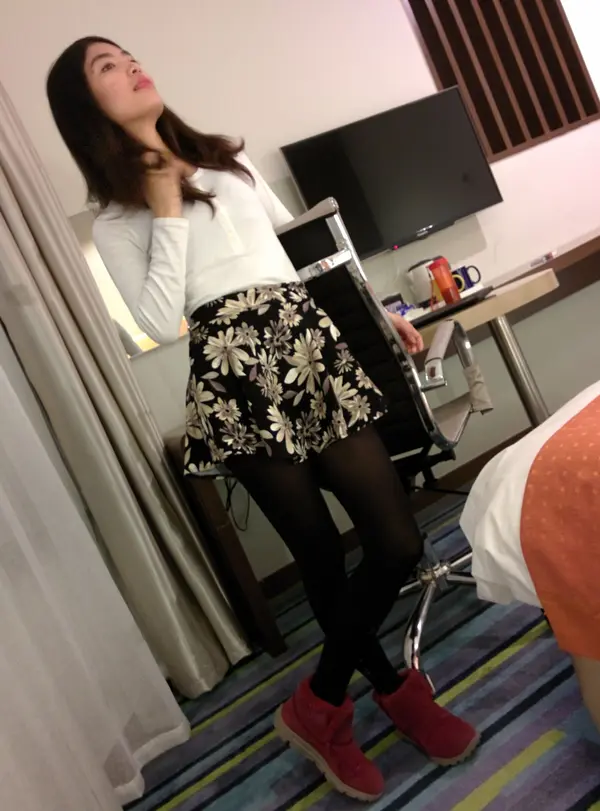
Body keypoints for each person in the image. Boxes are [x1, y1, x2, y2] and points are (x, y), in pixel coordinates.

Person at [47, 37, 479, 802]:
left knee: (395, 539)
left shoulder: (227, 159)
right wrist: (165, 203)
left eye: (127, 54)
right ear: (86, 110)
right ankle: (391, 690)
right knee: (319, 555)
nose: (131, 65)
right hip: (234, 372)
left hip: (308, 345)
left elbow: (304, 259)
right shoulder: (116, 218)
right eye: (105, 67)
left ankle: (319, 703)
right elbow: (160, 320)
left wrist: (377, 310)